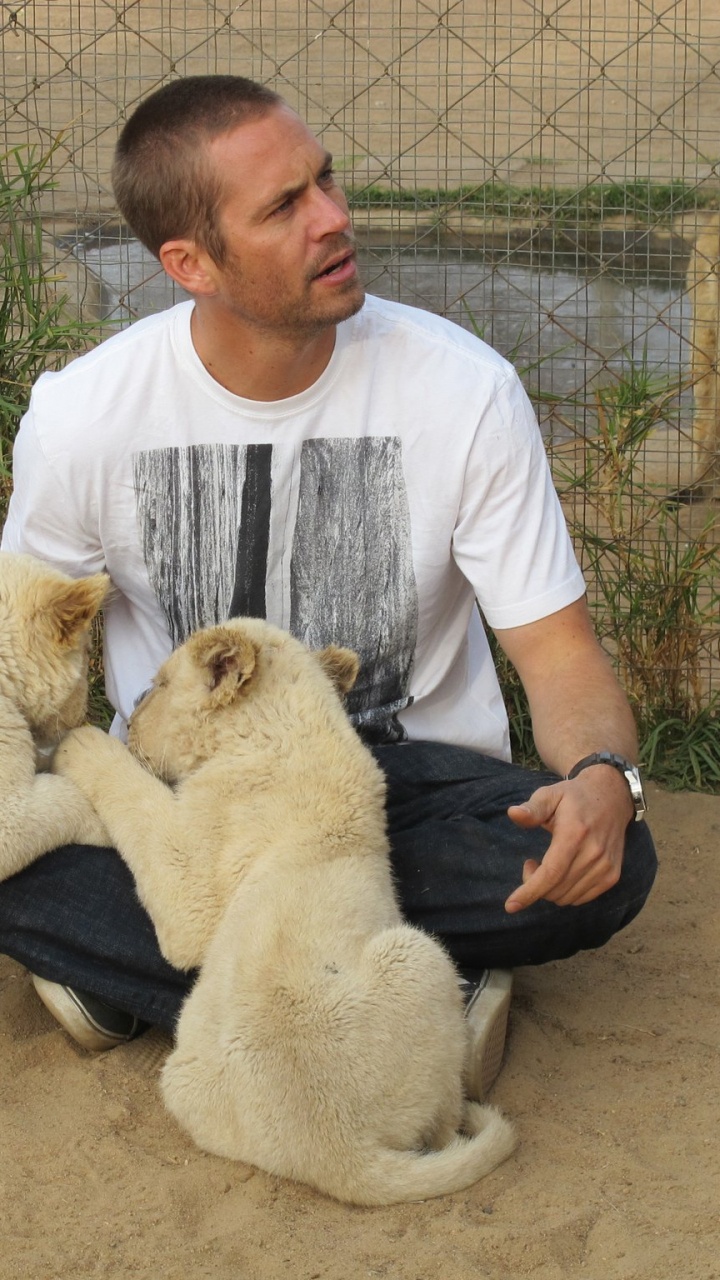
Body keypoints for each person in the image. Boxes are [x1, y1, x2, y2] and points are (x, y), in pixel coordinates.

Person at [0, 76, 656, 1099]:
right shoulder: (86, 417)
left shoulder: (462, 388)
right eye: (283, 206)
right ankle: (408, 996)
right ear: (190, 263)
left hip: (399, 793)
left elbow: (562, 654)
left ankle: (140, 974)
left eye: (326, 179)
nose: (335, 217)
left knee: (614, 861)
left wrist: (606, 778)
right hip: (195, 806)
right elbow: (25, 663)